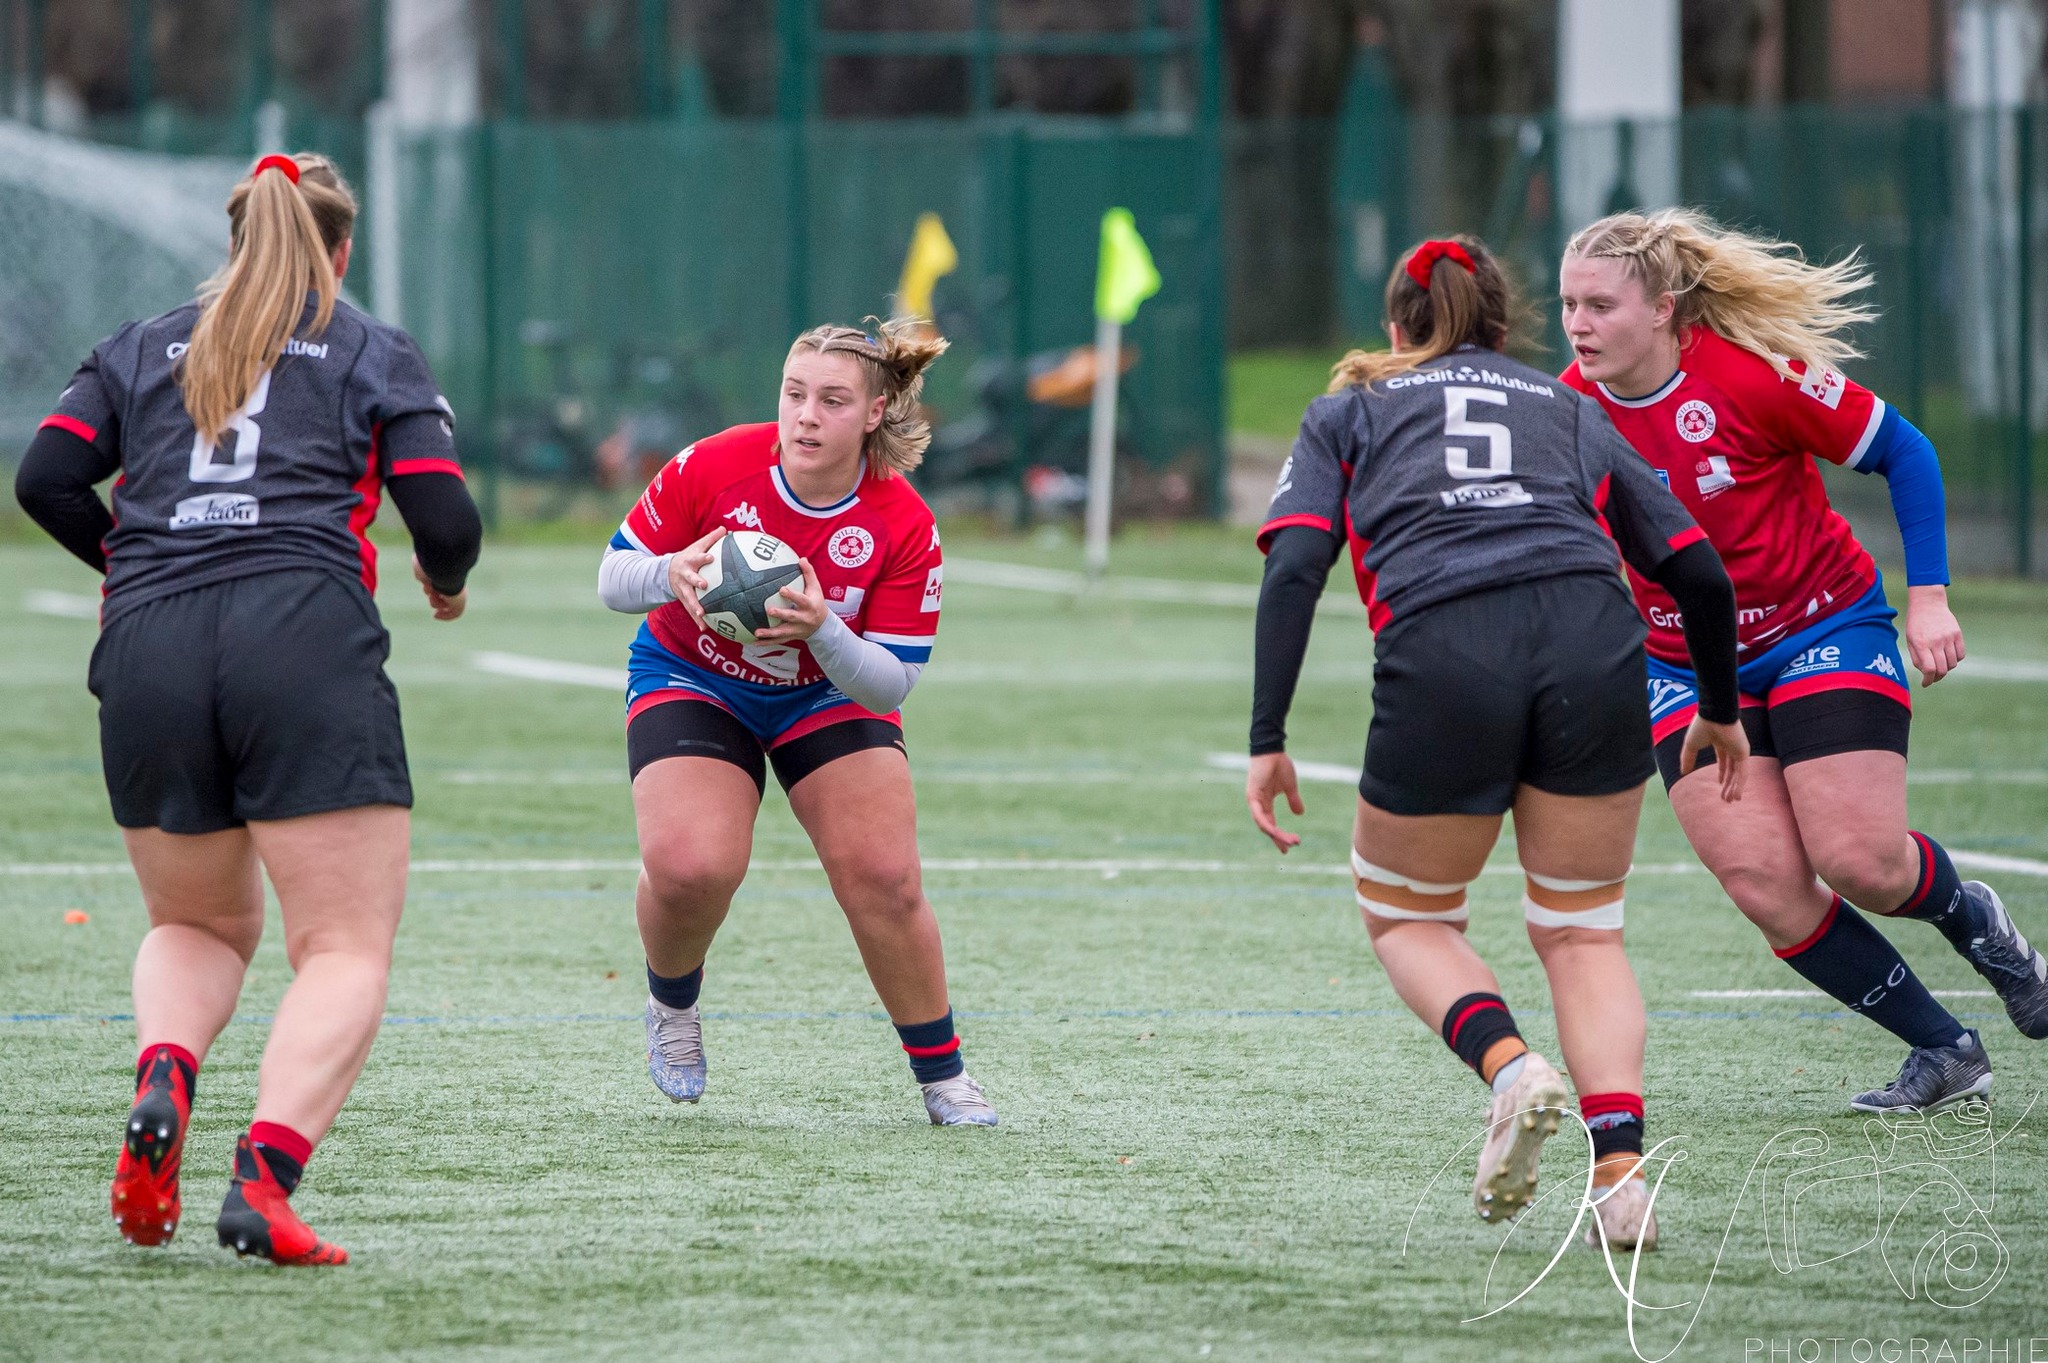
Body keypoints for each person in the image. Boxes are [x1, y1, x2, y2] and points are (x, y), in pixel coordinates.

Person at [12, 153, 481, 1263]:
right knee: (342, 946)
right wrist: (446, 580)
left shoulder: (139, 344)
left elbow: (44, 479)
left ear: (235, 241)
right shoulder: (370, 347)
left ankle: (166, 1075)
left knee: (195, 925)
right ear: (341, 251)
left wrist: (134, 569)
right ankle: (261, 1184)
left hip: (150, 644)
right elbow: (445, 516)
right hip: (300, 631)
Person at [1246, 237, 1745, 1251]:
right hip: (1592, 644)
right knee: (1583, 930)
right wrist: (1721, 707)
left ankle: (1511, 1068)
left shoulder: (1350, 409)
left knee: (1408, 916)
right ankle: (1620, 1179)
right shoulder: (1570, 408)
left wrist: (1268, 735)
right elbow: (1698, 573)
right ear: (1503, 326)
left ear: (1397, 326)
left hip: (1448, 649)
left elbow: (1295, 567)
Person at [1560, 209, 2048, 1114]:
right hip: (1685, 665)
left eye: (1599, 306)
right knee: (1765, 884)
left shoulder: (1752, 374)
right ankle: (1945, 1049)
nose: (1577, 326)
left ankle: (1977, 920)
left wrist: (1931, 597)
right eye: (1568, 306)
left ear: (1663, 309)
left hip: (1820, 625)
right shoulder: (1568, 414)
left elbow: (1905, 450)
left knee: (1863, 862)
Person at [597, 317, 995, 1128]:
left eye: (832, 401)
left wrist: (822, 628)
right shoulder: (714, 465)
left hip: (827, 692)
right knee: (691, 866)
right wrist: (671, 572)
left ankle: (944, 1075)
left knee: (884, 877)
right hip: (695, 674)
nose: (806, 416)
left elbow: (889, 683)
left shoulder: (903, 521)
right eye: (794, 394)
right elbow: (612, 575)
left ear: (875, 412)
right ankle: (673, 1004)